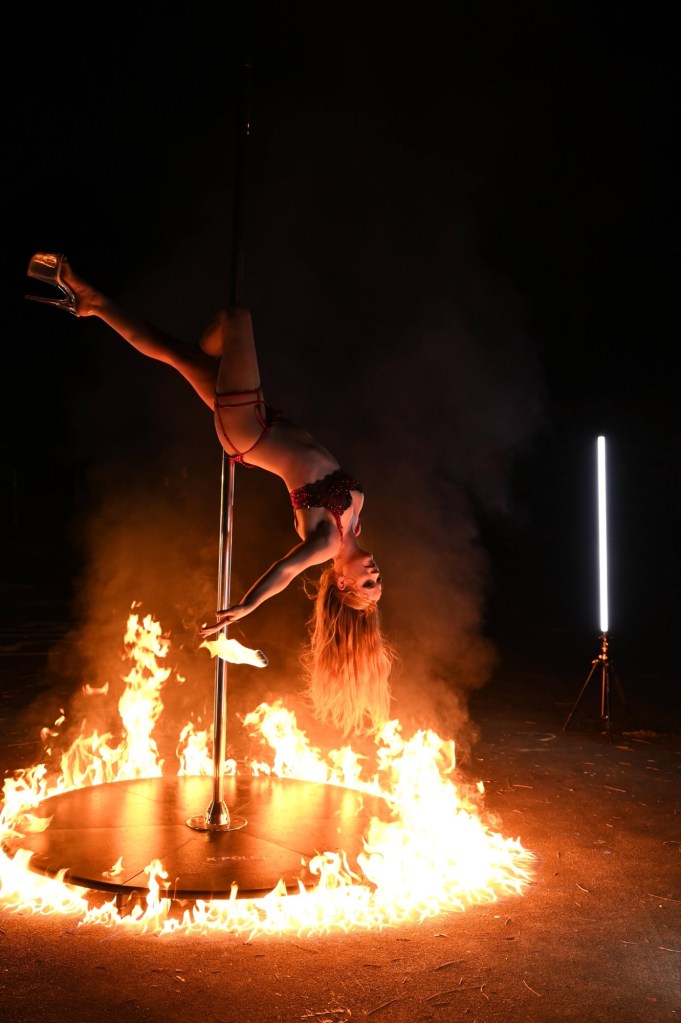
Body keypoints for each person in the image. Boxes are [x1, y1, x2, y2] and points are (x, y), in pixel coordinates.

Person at [25, 252, 394, 736]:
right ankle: (91, 303)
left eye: (366, 584)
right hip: (266, 420)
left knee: (235, 320)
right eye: (378, 581)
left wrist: (246, 606)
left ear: (342, 584)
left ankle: (185, 340)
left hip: (248, 432)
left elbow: (285, 572)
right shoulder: (355, 524)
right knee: (171, 351)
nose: (374, 575)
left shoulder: (326, 543)